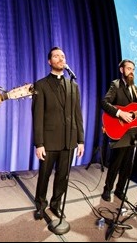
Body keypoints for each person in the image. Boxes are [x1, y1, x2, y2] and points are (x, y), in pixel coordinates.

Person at [32, 46, 85, 220]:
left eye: (63, 55)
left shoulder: (73, 84)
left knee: (63, 176)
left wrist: (81, 140)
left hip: (68, 141)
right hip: (48, 141)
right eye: (56, 56)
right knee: (44, 176)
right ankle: (40, 205)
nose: (61, 58)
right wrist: (39, 144)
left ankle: (56, 204)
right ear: (49, 61)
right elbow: (37, 116)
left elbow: (77, 114)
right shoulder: (41, 84)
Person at [100, 59, 137, 202]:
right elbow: (104, 103)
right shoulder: (116, 85)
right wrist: (120, 113)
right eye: (128, 68)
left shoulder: (136, 90)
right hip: (118, 130)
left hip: (131, 132)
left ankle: (120, 189)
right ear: (122, 70)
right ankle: (107, 189)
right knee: (116, 162)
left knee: (128, 164)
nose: (131, 72)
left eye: (133, 69)